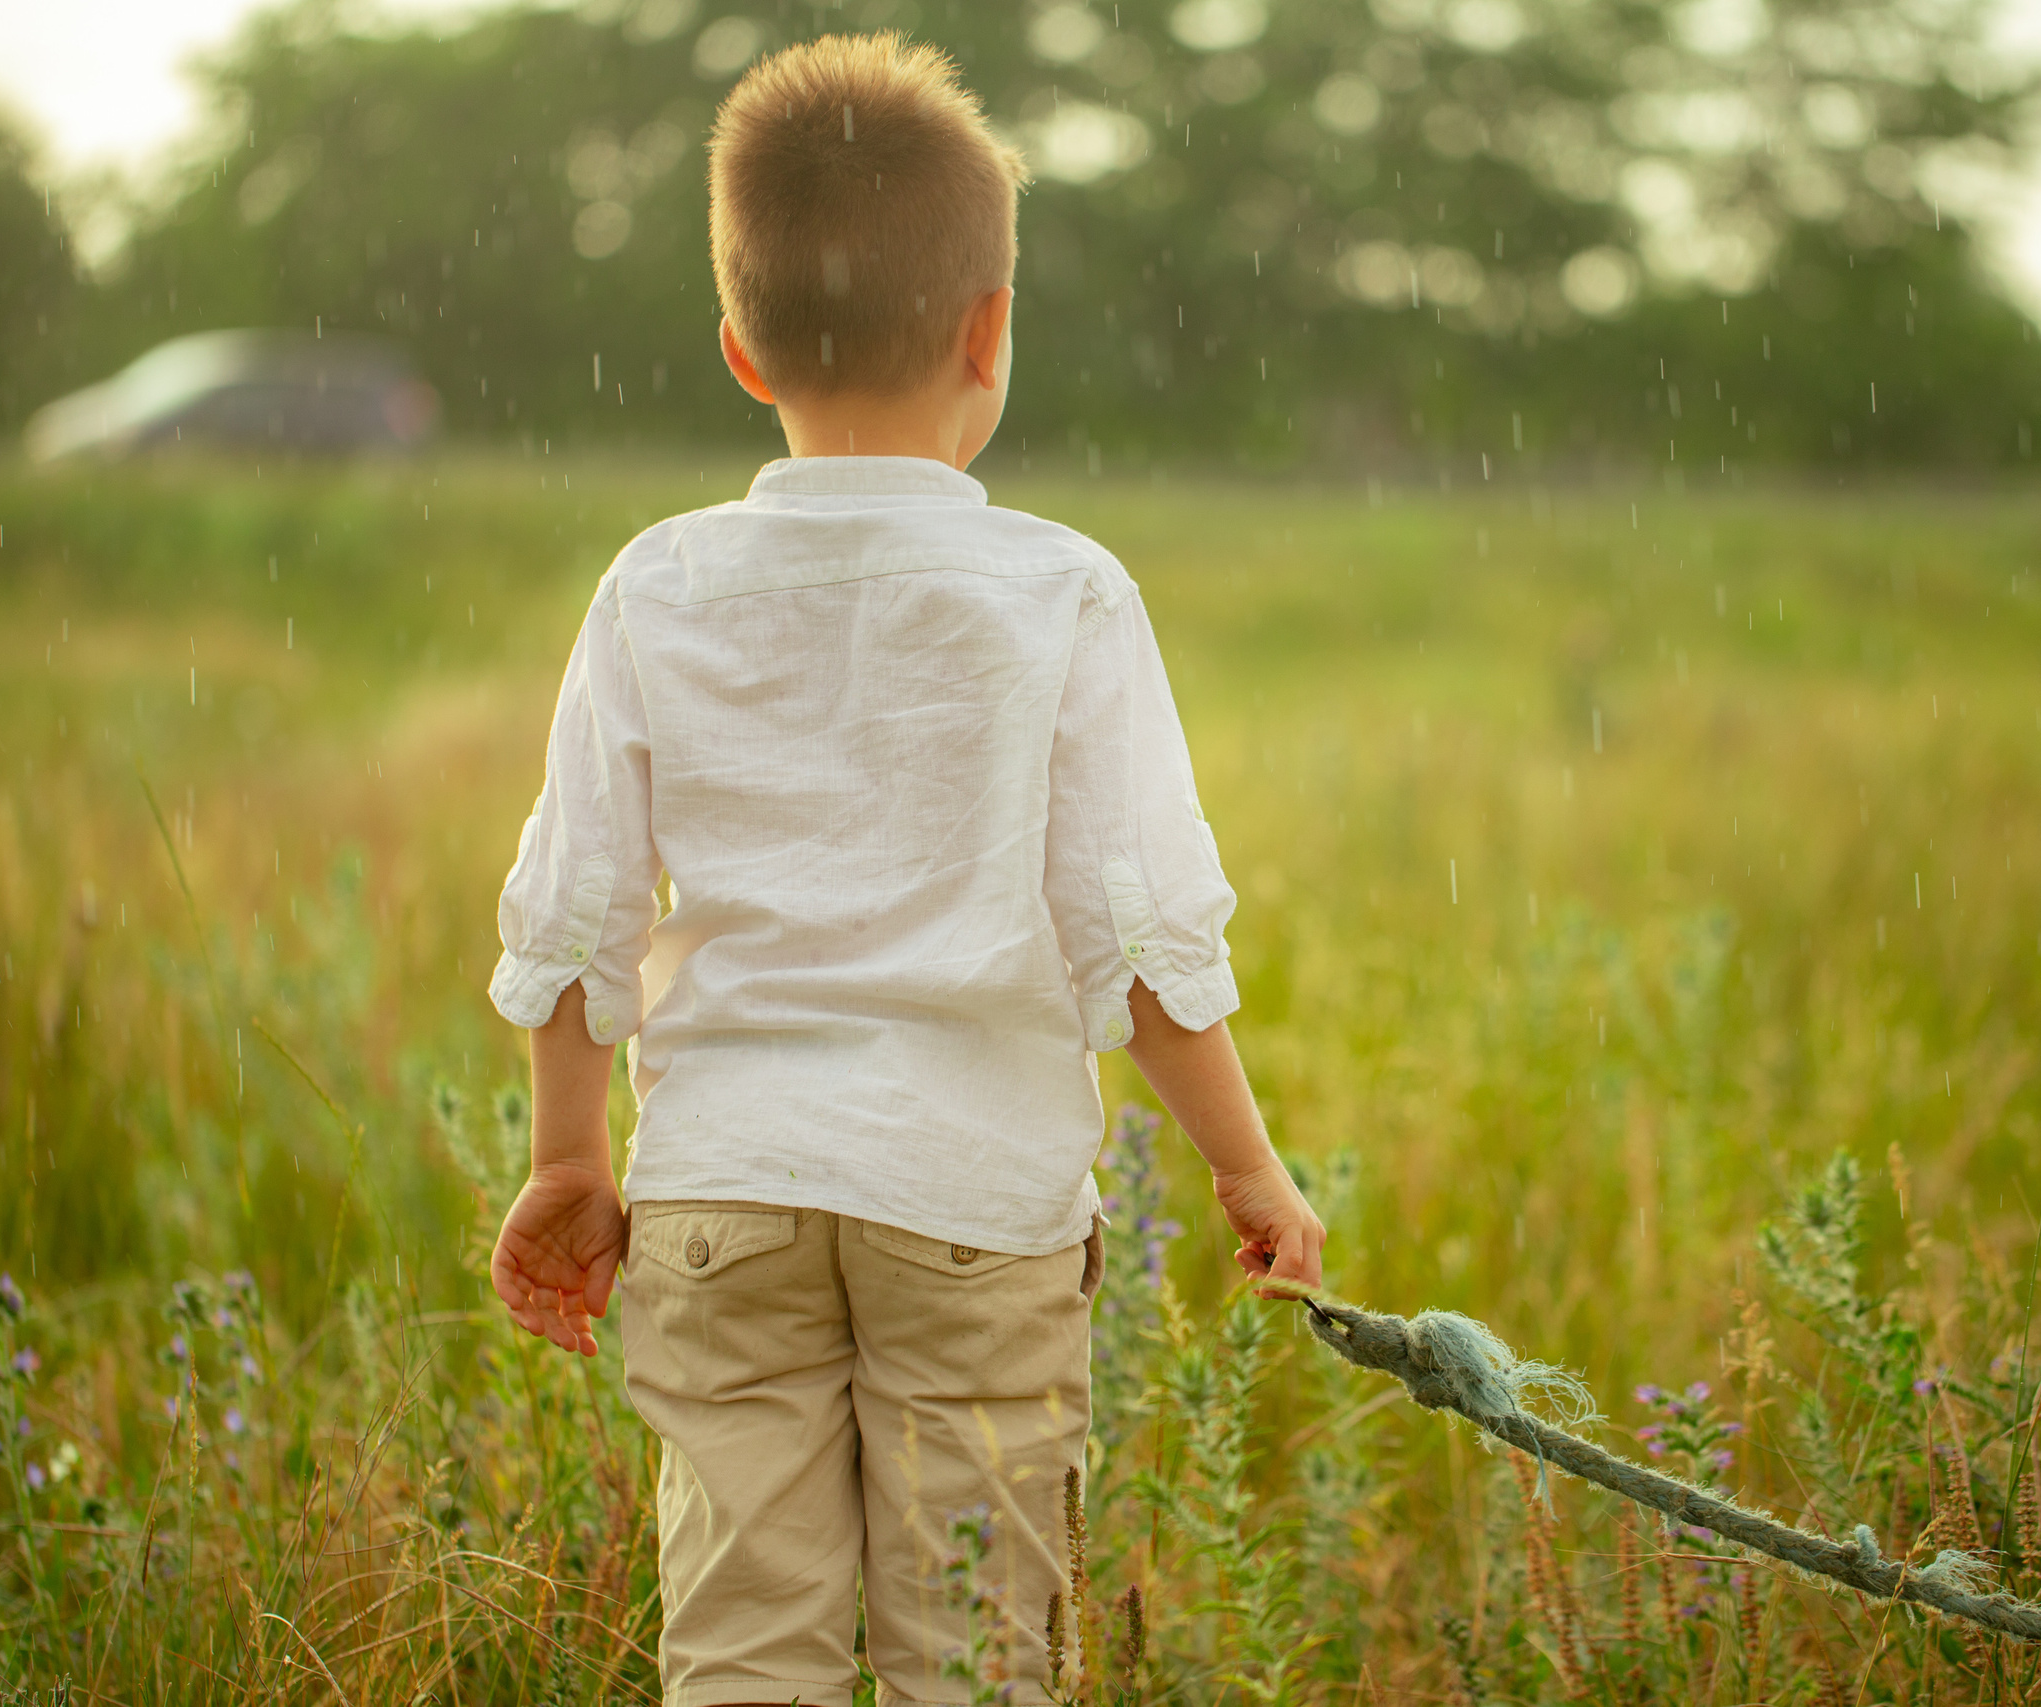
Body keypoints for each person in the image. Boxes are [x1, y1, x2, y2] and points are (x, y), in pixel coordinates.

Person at [482, 31, 1325, 1705]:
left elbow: (581, 915)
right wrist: (1245, 1167)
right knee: (980, 1657)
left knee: (743, 1657)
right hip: (974, 1210)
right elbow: (1138, 938)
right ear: (991, 330)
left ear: (739, 348)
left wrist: (573, 1155)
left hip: (725, 1193)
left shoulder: (659, 586)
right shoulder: (1063, 592)